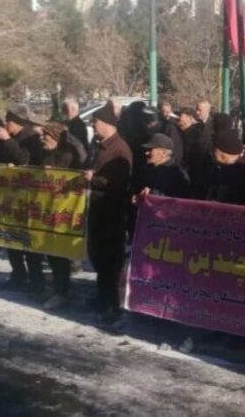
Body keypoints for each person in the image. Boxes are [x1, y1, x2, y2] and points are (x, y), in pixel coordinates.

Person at [84, 104, 133, 321]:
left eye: (95, 122)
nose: (93, 126)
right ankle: (101, 296)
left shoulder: (120, 149)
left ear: (106, 123)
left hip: (112, 211)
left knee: (110, 259)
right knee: (97, 254)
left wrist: (93, 179)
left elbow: (118, 183)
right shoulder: (100, 145)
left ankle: (111, 304)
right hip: (98, 208)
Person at [0, 103, 46, 292]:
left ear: (16, 122)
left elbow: (24, 159)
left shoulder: (32, 138)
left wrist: (7, 140)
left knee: (28, 241)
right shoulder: (10, 137)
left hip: (27, 195)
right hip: (10, 193)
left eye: (8, 121)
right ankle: (18, 274)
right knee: (12, 239)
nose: (5, 124)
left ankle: (36, 279)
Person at [38, 122, 84, 310]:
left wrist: (53, 173)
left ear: (55, 137)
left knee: (59, 251)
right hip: (47, 207)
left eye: (46, 135)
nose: (42, 139)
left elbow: (69, 177)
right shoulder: (48, 153)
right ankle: (58, 287)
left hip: (63, 209)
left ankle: (62, 291)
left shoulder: (67, 156)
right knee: (50, 249)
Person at [205, 130, 245, 206]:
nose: (210, 151)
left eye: (213, 148)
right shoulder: (216, 169)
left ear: (223, 153)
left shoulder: (243, 176)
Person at [133, 133, 190, 202]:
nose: (146, 153)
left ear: (163, 153)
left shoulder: (174, 172)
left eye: (150, 150)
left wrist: (149, 195)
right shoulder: (150, 168)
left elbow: (166, 198)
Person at [177, 107, 211, 198]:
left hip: (191, 170)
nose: (179, 118)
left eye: (181, 116)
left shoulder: (196, 133)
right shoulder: (178, 131)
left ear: (189, 118)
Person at [156, 100, 184, 165]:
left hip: (173, 156)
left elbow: (175, 142)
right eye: (165, 112)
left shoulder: (173, 124)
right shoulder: (164, 123)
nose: (167, 114)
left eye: (169, 111)